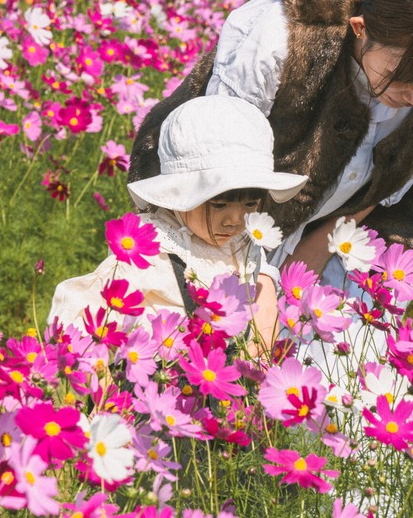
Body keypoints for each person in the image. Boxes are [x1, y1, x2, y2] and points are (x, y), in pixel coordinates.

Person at [130, 0, 413, 343]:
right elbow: (220, 173)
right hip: (217, 206)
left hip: (344, 225)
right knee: (203, 339)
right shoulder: (283, 32)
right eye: (403, 76)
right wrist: (257, 274)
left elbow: (394, 178)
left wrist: (312, 256)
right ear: (361, 28)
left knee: (347, 362)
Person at [48, 95, 307, 342]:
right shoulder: (153, 246)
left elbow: (256, 303)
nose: (235, 220)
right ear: (181, 194)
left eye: (251, 203)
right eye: (218, 204)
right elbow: (80, 308)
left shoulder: (243, 242)